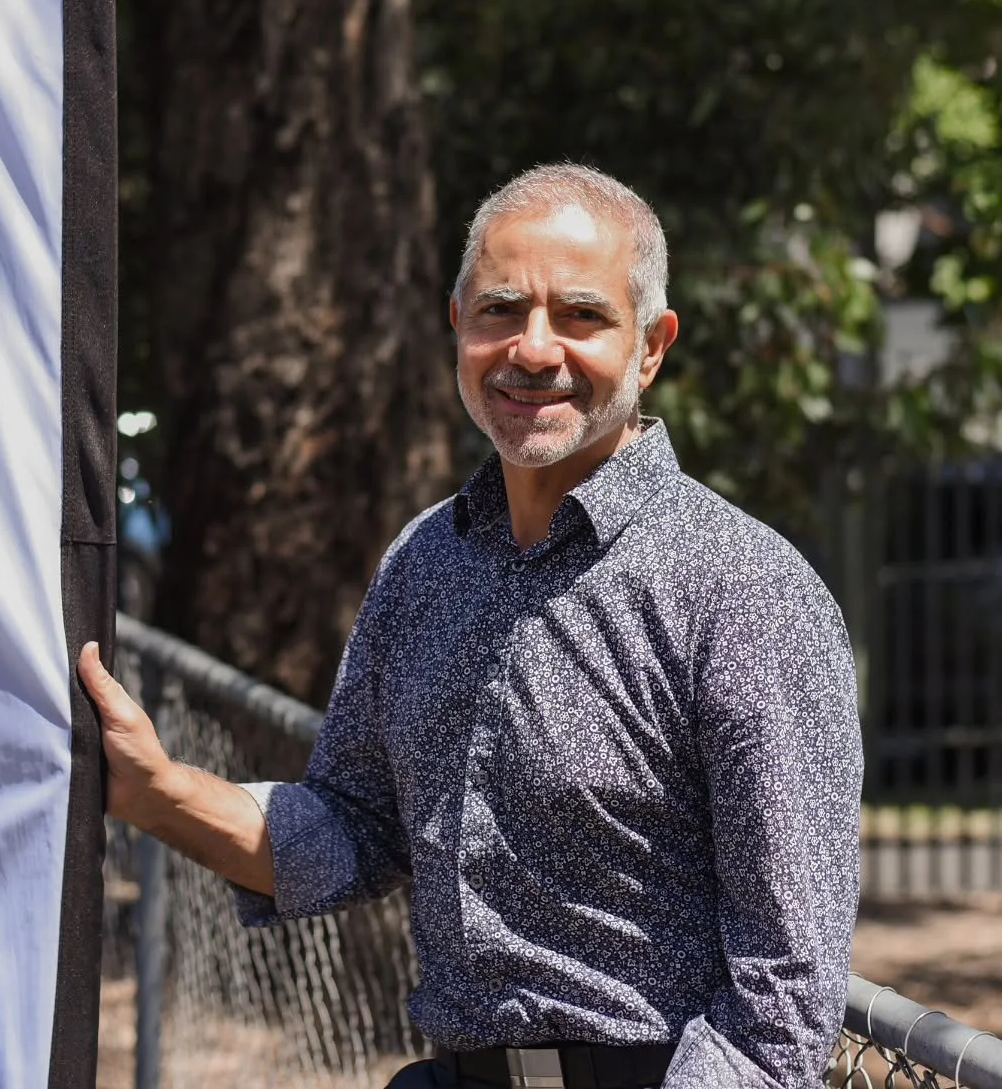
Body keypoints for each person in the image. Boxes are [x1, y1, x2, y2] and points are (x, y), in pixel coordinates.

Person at [79, 164, 863, 1089]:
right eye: (500, 310)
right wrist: (154, 792)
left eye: (580, 315)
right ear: (458, 326)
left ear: (651, 347)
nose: (534, 350)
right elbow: (353, 825)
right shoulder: (426, 560)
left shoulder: (743, 590)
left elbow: (784, 1005)